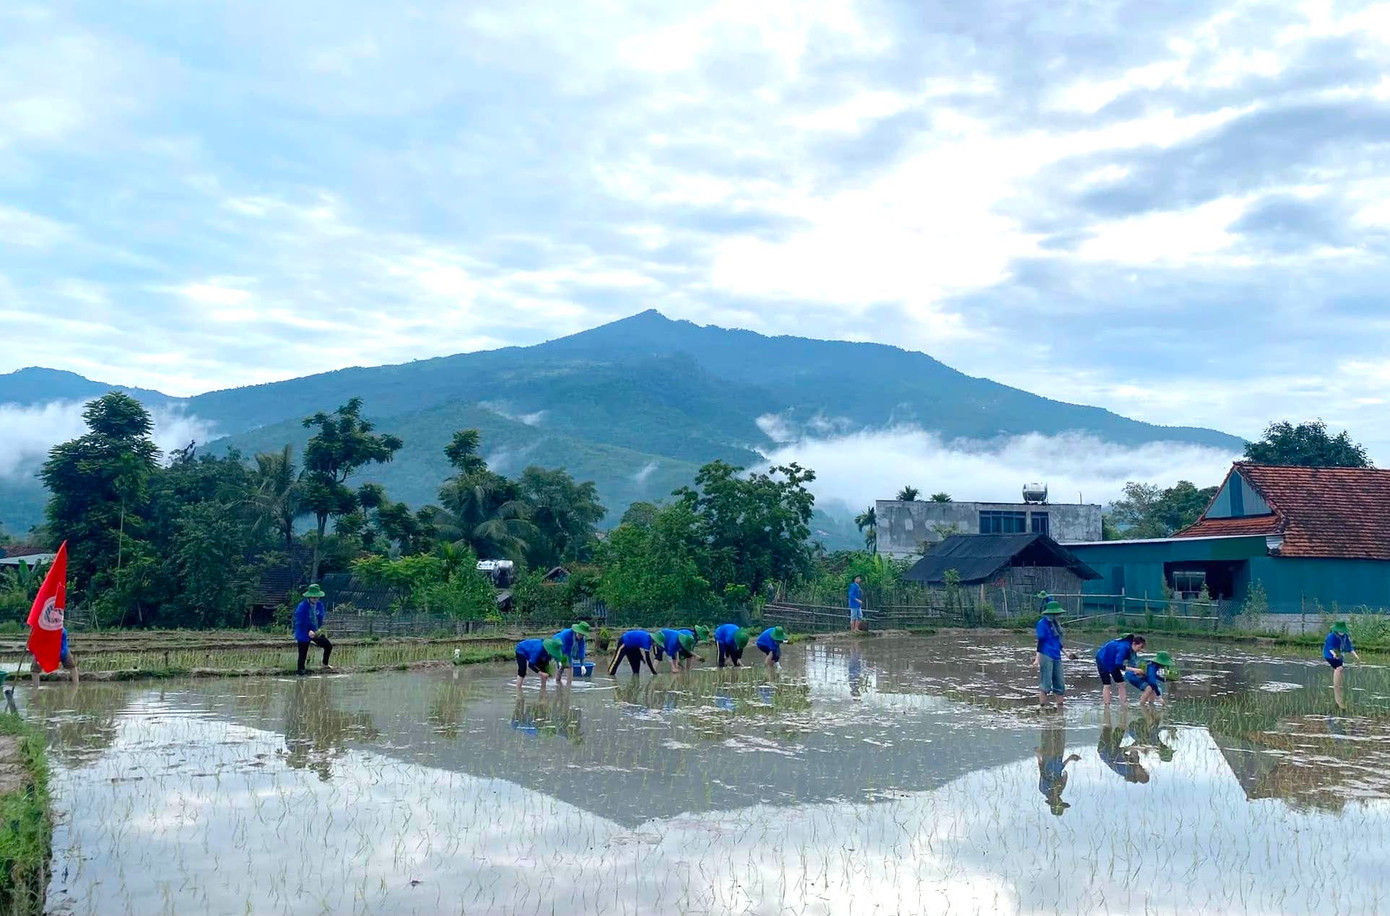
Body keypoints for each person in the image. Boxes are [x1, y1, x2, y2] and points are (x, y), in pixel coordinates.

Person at [1036, 722, 1082, 815]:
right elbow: (1060, 771)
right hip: (1058, 757)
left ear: (1052, 802)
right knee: (1060, 732)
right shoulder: (1060, 789)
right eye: (1060, 802)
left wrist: (1038, 756)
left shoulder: (1044, 789)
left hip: (1047, 756)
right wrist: (1069, 759)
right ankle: (1059, 714)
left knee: (1048, 732)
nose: (1059, 800)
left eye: (1058, 802)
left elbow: (1042, 771)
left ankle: (1045, 713)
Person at [1097, 708, 1150, 784]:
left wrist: (1138, 748)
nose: (1144, 769)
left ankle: (1114, 707)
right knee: (1114, 728)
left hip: (1106, 751)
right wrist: (1143, 746)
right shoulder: (1134, 766)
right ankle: (1117, 707)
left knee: (1111, 728)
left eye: (1143, 772)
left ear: (1139, 775)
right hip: (1110, 750)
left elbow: (1120, 752)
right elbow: (1133, 751)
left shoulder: (1126, 770)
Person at [1031, 601, 1066, 709]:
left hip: (1056, 655)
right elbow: (1040, 642)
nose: (1057, 616)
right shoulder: (1041, 624)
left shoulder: (1056, 625)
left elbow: (1057, 644)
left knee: (1060, 683)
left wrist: (1067, 653)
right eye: (1055, 614)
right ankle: (1042, 707)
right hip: (1046, 655)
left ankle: (1060, 708)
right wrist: (1037, 659)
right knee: (1046, 683)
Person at [1095, 634, 1147, 706]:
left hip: (1113, 661)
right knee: (1107, 684)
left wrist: (1138, 672)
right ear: (1134, 644)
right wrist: (1134, 670)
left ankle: (1124, 704)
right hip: (1102, 659)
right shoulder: (1123, 648)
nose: (1140, 650)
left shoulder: (1132, 651)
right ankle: (1107, 706)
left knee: (1121, 683)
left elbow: (1132, 664)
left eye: (1142, 648)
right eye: (1140, 647)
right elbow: (1118, 665)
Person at [292, 584, 333, 675]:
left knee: (328, 646)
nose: (315, 599)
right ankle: (301, 673)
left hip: (315, 631)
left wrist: (318, 630)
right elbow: (300, 621)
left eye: (317, 597)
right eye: (313, 597)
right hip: (303, 631)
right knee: (303, 653)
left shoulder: (319, 605)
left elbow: (320, 618)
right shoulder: (302, 607)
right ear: (309, 596)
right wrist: (308, 630)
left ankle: (325, 664)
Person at [1324, 621, 1359, 690]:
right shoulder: (1331, 636)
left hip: (1339, 654)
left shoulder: (1345, 636)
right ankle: (1336, 686)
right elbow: (1330, 647)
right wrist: (1334, 654)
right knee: (1339, 668)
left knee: (1341, 669)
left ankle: (1338, 684)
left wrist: (1355, 655)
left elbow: (1349, 647)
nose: (1341, 632)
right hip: (1329, 654)